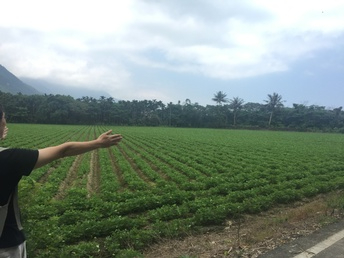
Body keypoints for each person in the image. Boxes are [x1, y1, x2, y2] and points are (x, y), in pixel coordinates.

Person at [0, 105, 122, 258]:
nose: (6, 123)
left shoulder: (9, 157)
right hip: (6, 244)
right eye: (4, 119)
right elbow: (63, 150)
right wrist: (98, 143)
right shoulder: (9, 158)